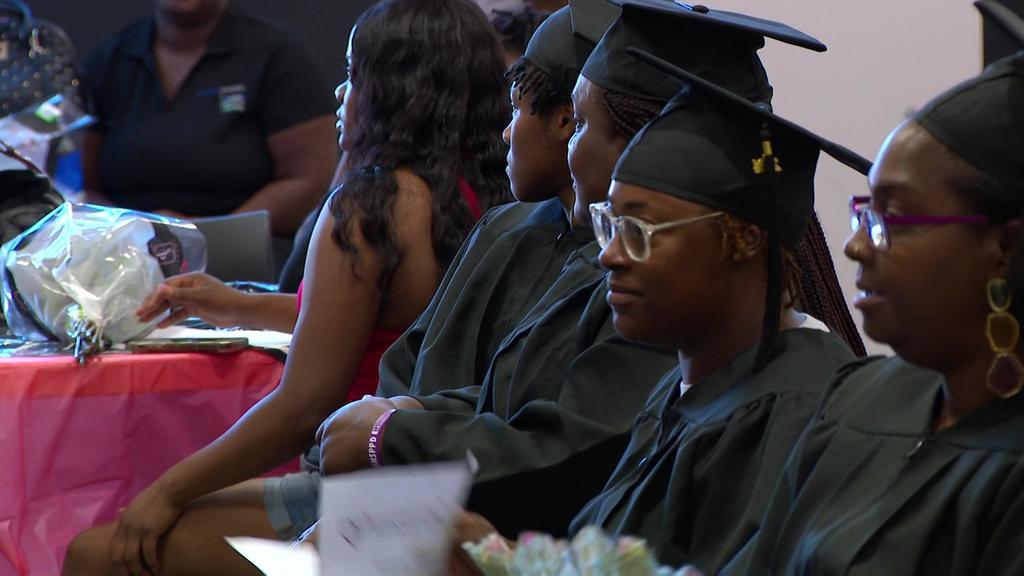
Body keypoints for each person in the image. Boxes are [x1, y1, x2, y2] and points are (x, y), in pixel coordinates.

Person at [318, 0, 846, 540]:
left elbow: (578, 479)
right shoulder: (682, 382)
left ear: (741, 240)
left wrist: (396, 440)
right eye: (613, 224)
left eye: (638, 228)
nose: (613, 253)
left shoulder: (792, 403)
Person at [62, 1, 510, 574]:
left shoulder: (370, 209)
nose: (341, 95)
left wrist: (166, 490)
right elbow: (387, 321)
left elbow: (302, 408)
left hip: (373, 490)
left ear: (395, 89)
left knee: (96, 553)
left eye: (353, 74)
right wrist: (238, 304)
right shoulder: (488, 194)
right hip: (449, 477)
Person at [722, 4, 1024, 574]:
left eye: (894, 219)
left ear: (1002, 248)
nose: (856, 245)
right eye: (867, 210)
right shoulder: (859, 397)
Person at [80, 0, 338, 236]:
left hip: (246, 257)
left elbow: (309, 179)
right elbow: (81, 187)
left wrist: (206, 236)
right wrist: (134, 230)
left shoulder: (277, 56)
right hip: (125, 253)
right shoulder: (108, 63)